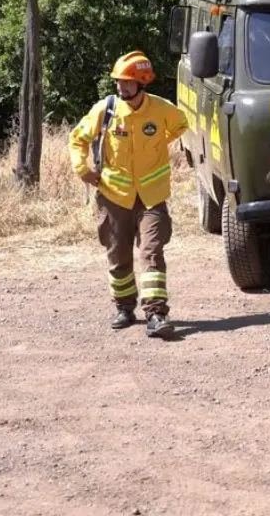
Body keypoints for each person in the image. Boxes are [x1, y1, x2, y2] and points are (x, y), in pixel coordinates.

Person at [69, 52, 189, 337]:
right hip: (114, 196)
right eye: (119, 81)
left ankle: (157, 314)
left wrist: (161, 141)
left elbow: (181, 125)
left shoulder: (161, 109)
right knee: (118, 254)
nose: (121, 87)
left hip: (152, 197)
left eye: (127, 82)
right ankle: (124, 307)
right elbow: (78, 138)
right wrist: (81, 168)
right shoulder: (106, 109)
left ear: (142, 82)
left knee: (151, 252)